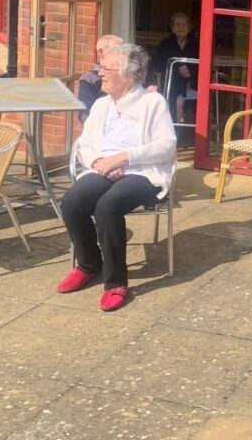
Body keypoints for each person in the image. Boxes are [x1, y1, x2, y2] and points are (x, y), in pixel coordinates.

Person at [57, 43, 176, 312]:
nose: (99, 73)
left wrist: (123, 158)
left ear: (128, 75)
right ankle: (89, 265)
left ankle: (115, 282)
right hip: (103, 168)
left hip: (142, 172)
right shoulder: (101, 105)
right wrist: (99, 163)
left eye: (106, 69)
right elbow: (85, 144)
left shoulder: (152, 102)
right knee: (73, 202)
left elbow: (166, 147)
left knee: (107, 206)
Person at [151, 13, 199, 122]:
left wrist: (190, 70)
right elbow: (158, 64)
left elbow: (203, 64)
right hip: (172, 82)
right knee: (173, 99)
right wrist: (178, 67)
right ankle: (173, 125)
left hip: (192, 82)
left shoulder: (197, 44)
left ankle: (189, 125)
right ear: (172, 28)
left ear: (189, 28)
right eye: (177, 25)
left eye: (184, 24)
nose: (181, 27)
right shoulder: (165, 43)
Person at [77, 34, 123, 122]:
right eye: (117, 50)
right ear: (101, 53)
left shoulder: (126, 76)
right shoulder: (89, 79)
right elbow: (84, 115)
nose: (122, 53)